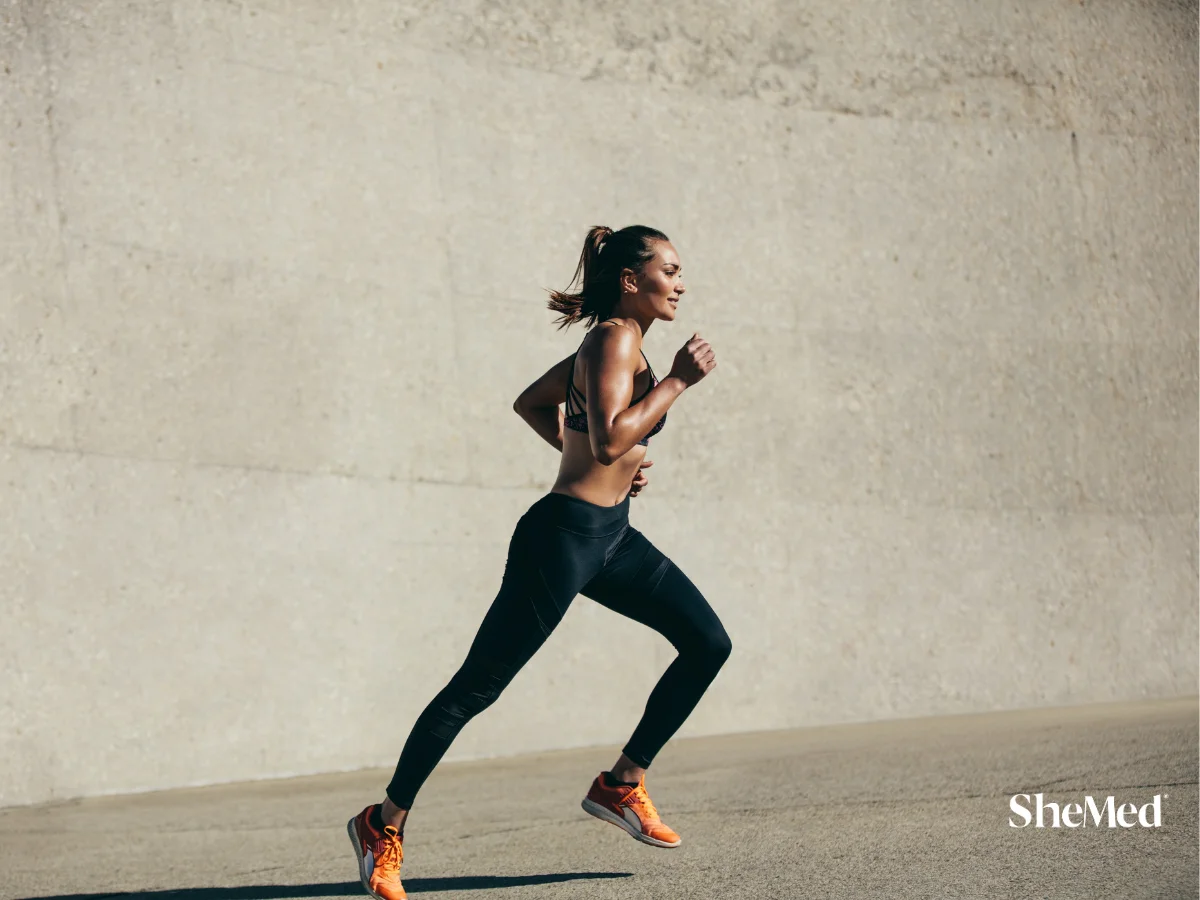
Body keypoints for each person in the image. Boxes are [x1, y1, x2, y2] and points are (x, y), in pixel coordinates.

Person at [347, 225, 732, 900]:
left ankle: (621, 784)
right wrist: (675, 383)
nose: (681, 283)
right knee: (476, 688)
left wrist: (592, 457)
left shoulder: (623, 344)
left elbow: (541, 407)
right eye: (669, 271)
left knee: (707, 642)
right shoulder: (614, 338)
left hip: (611, 535)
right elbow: (613, 437)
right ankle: (383, 823)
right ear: (631, 280)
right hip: (563, 539)